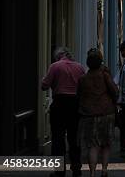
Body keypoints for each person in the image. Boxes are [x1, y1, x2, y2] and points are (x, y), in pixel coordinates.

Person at [42, 47, 85, 177]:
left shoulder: (55, 66)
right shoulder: (80, 67)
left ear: (58, 56)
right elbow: (83, 86)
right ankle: (76, 167)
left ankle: (59, 170)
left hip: (60, 103)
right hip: (75, 104)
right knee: (74, 137)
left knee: (57, 138)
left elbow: (44, 85)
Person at [77, 48, 118, 177]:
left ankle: (92, 172)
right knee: (106, 144)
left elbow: (79, 96)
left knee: (93, 145)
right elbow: (114, 92)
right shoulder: (105, 75)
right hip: (106, 113)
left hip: (89, 114)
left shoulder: (83, 79)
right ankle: (104, 169)